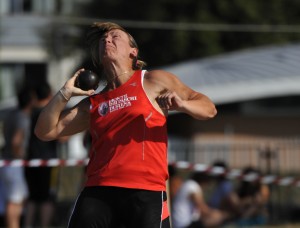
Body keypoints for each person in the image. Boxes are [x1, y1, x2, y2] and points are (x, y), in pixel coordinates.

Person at [34, 22, 217, 228]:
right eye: (103, 40)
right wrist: (64, 94)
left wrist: (183, 105)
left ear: (133, 52)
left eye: (115, 37)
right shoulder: (95, 102)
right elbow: (45, 131)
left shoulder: (152, 81)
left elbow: (209, 108)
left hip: (145, 192)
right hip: (99, 191)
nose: (106, 40)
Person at [24, 82, 60, 228]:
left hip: (30, 160)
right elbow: (62, 135)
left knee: (33, 197)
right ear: (49, 94)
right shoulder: (49, 113)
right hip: (48, 161)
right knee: (47, 198)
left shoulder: (29, 112)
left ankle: (28, 225)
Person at [0, 85, 34, 228]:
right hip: (14, 163)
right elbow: (16, 141)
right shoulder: (22, 117)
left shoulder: (12, 114)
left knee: (13, 199)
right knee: (14, 201)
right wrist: (20, 155)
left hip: (7, 161)